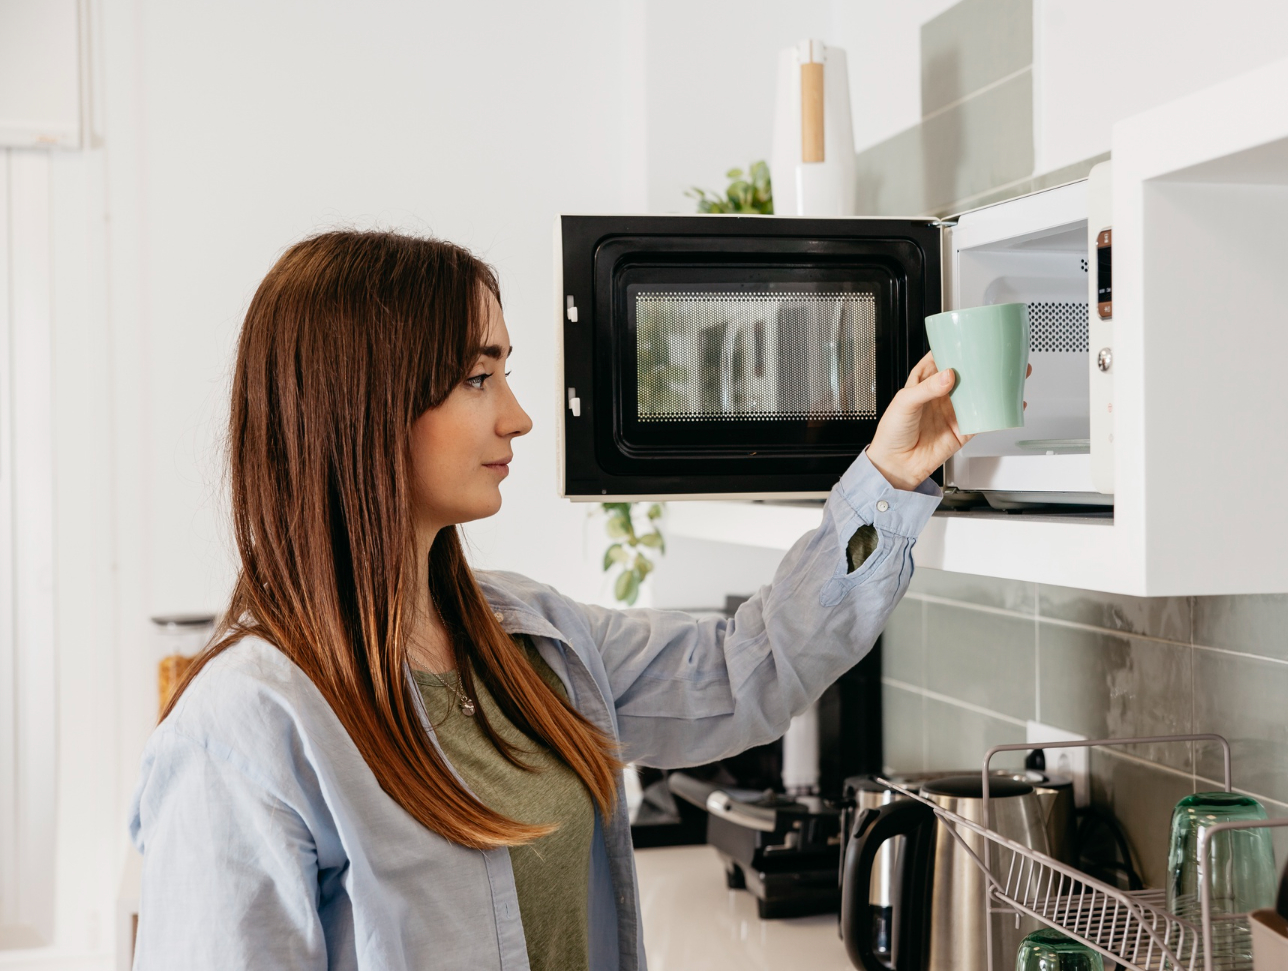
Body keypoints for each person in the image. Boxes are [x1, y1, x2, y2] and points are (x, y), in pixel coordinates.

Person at [128, 230, 973, 971]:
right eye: (477, 377)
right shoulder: (242, 733)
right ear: (366, 406)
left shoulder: (530, 638)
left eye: (506, 373)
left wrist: (890, 478)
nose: (521, 416)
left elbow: (745, 669)